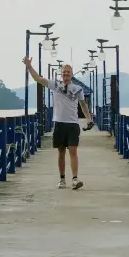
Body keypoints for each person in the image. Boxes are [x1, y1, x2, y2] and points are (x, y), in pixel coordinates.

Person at [23, 57, 93, 189]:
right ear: (62, 74)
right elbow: (38, 79)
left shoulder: (78, 88)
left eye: (68, 72)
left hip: (72, 124)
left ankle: (75, 178)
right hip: (59, 123)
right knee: (61, 152)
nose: (66, 74)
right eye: (64, 72)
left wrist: (89, 118)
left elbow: (83, 105)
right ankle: (62, 179)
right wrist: (29, 66)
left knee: (73, 151)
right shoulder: (55, 85)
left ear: (72, 74)